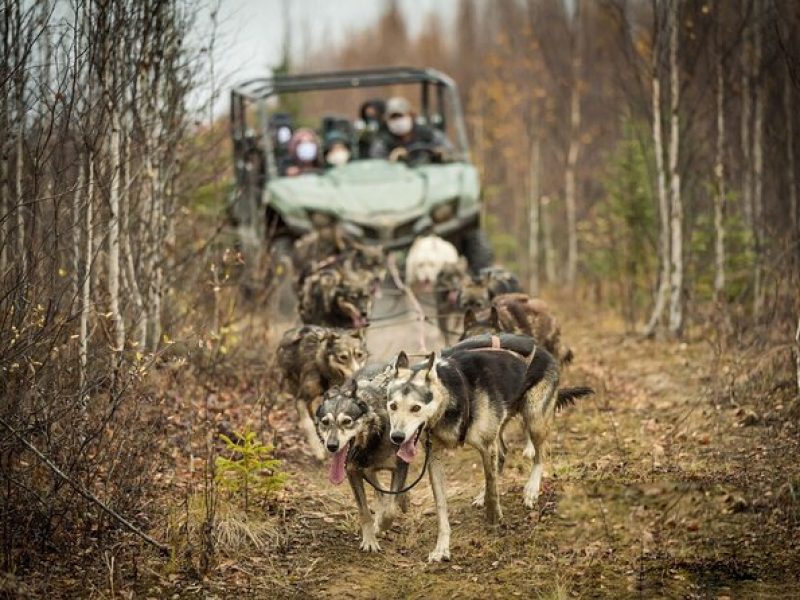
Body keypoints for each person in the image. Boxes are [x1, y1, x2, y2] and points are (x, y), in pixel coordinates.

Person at [369, 96, 451, 163]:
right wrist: (391, 160)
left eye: (400, 116)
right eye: (393, 118)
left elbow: (452, 155)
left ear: (412, 115)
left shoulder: (430, 135)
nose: (397, 121)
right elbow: (376, 167)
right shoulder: (382, 143)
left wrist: (442, 155)